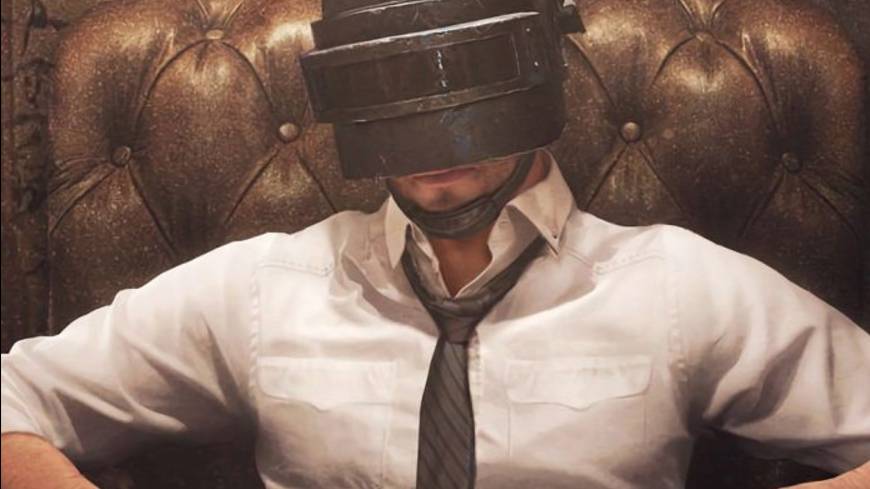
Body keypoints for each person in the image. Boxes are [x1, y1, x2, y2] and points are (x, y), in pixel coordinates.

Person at [2, 1, 869, 488]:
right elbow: (15, 399)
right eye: (391, 90)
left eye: (465, 86)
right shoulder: (263, 288)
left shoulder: (680, 286)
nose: (434, 153)